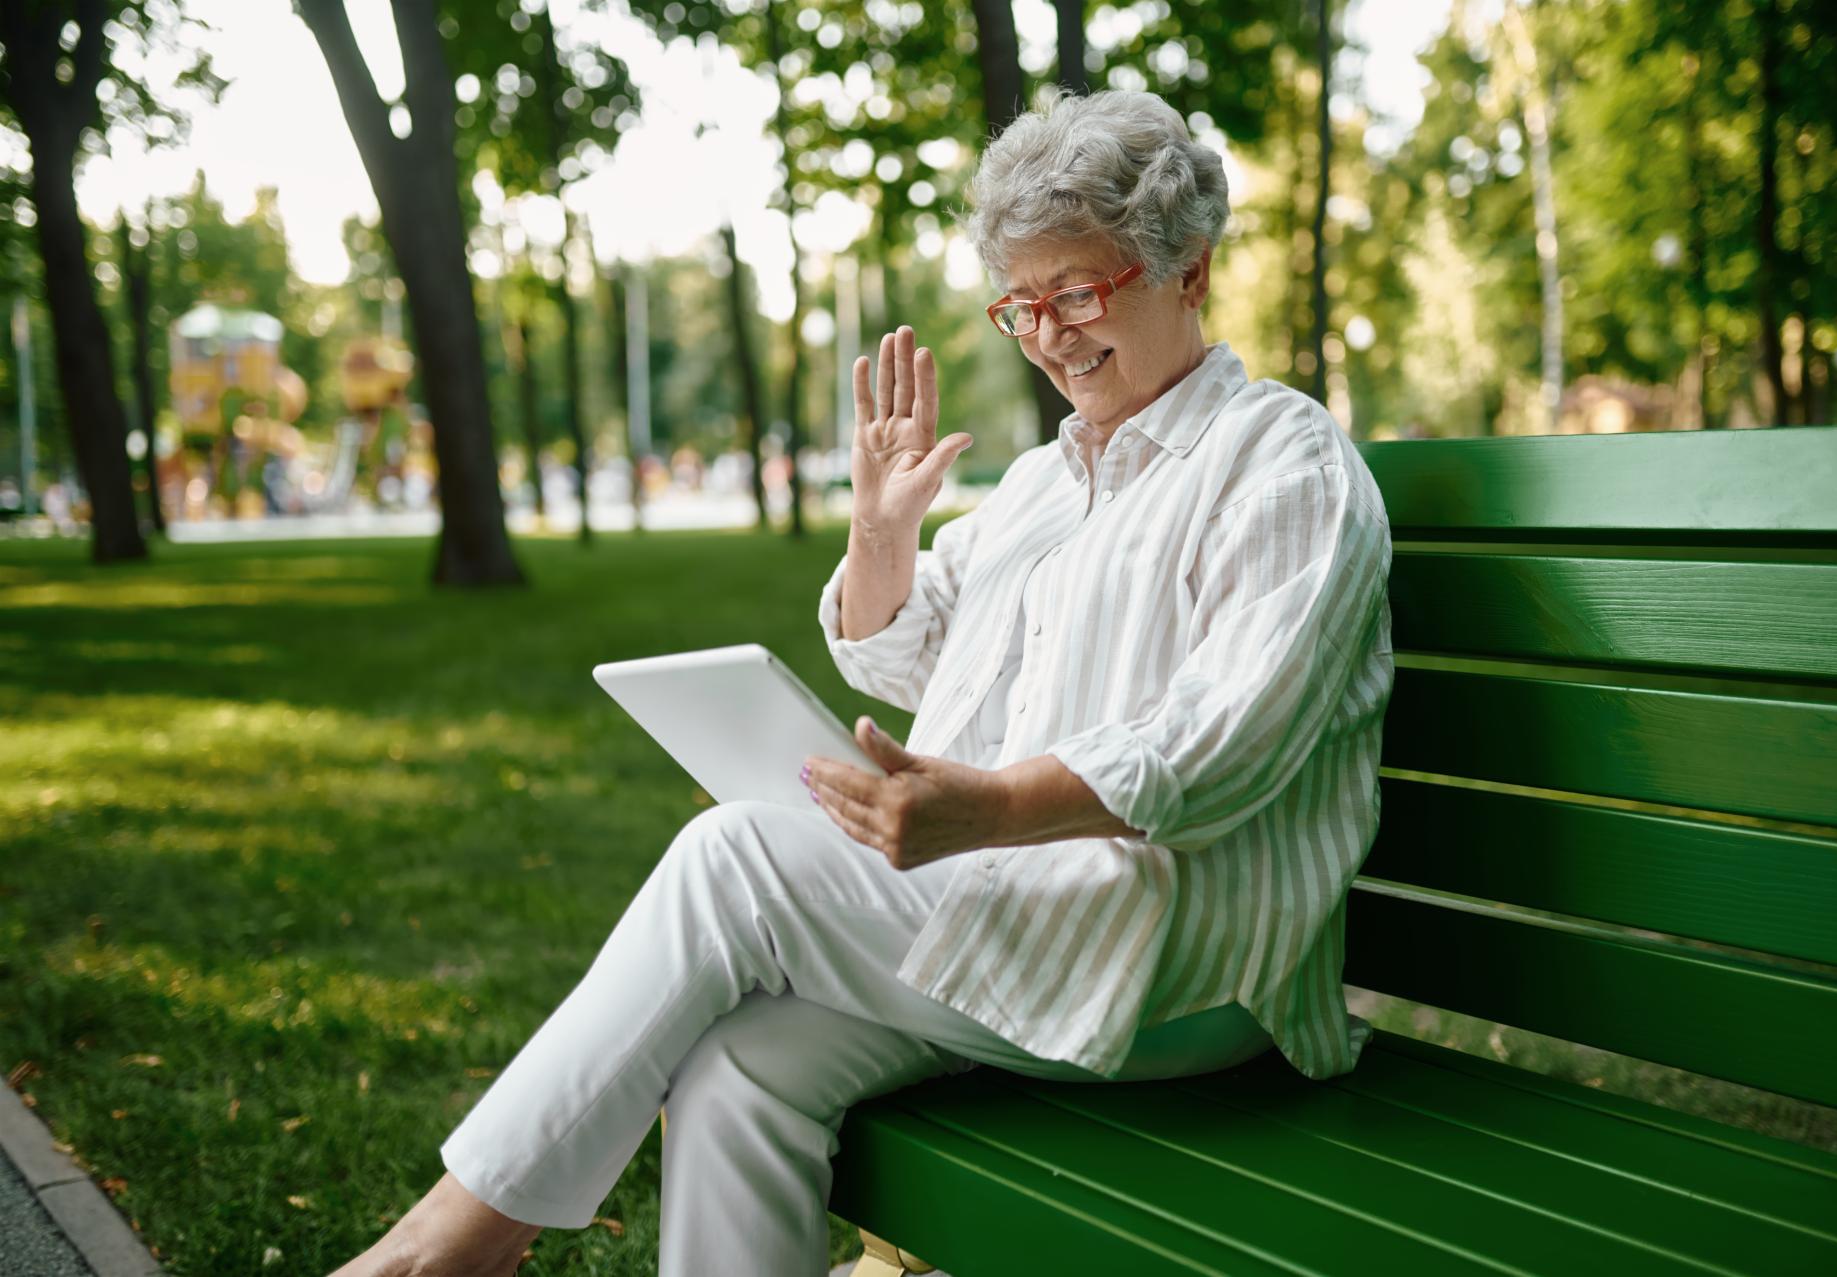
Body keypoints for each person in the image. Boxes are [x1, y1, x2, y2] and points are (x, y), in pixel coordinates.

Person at [331, 88, 1392, 1277]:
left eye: (1078, 293)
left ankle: (448, 1245)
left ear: (1186, 271)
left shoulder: (1282, 459)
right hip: (1017, 919)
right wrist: (883, 534)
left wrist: (988, 807)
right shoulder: (1052, 481)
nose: (1046, 335)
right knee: (740, 1066)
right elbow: (914, 653)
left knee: (732, 857)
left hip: (1185, 965)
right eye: (1018, 306)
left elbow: (1227, 739)